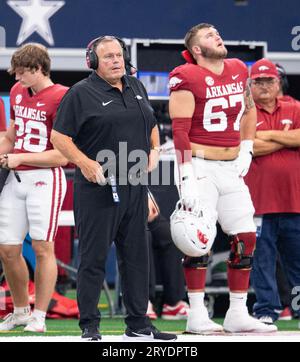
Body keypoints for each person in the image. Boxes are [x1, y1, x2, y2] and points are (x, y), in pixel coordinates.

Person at [50, 35, 177, 341]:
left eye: (118, 55)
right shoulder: (80, 93)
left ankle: (138, 324)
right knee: (93, 259)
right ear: (92, 62)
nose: (116, 60)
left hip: (135, 185)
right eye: (108, 57)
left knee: (136, 258)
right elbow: (59, 137)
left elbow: (150, 124)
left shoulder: (136, 86)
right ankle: (90, 326)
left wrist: (155, 151)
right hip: (98, 188)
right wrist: (85, 163)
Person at [169, 23, 277, 333]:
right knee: (197, 239)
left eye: (216, 32)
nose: (217, 35)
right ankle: (196, 313)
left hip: (232, 167)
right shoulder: (186, 75)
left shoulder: (238, 67)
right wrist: (185, 173)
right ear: (197, 50)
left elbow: (248, 110)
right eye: (208, 35)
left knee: (245, 237)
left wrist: (246, 148)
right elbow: (179, 130)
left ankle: (237, 312)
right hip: (201, 166)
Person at [0, 43, 68, 333]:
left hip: (46, 178)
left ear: (39, 69)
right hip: (17, 178)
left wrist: (20, 157)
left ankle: (40, 315)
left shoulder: (63, 97)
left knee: (42, 247)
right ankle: (20, 311)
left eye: (22, 73)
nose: (17, 80)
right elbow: (13, 135)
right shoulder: (18, 92)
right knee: (7, 249)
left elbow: (63, 155)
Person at [244, 58, 300, 324]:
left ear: (279, 83)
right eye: (259, 81)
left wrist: (267, 136)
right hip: (258, 201)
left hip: (294, 200)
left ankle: (298, 307)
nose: (264, 86)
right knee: (262, 260)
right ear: (250, 84)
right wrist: (285, 137)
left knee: (297, 261)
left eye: (269, 80)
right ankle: (267, 310)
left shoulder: (294, 106)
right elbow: (248, 147)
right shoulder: (245, 111)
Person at [146, 192, 188, 320]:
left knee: (171, 236)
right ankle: (143, 301)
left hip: (138, 198)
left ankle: (173, 304)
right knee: (143, 236)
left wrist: (147, 196)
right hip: (115, 204)